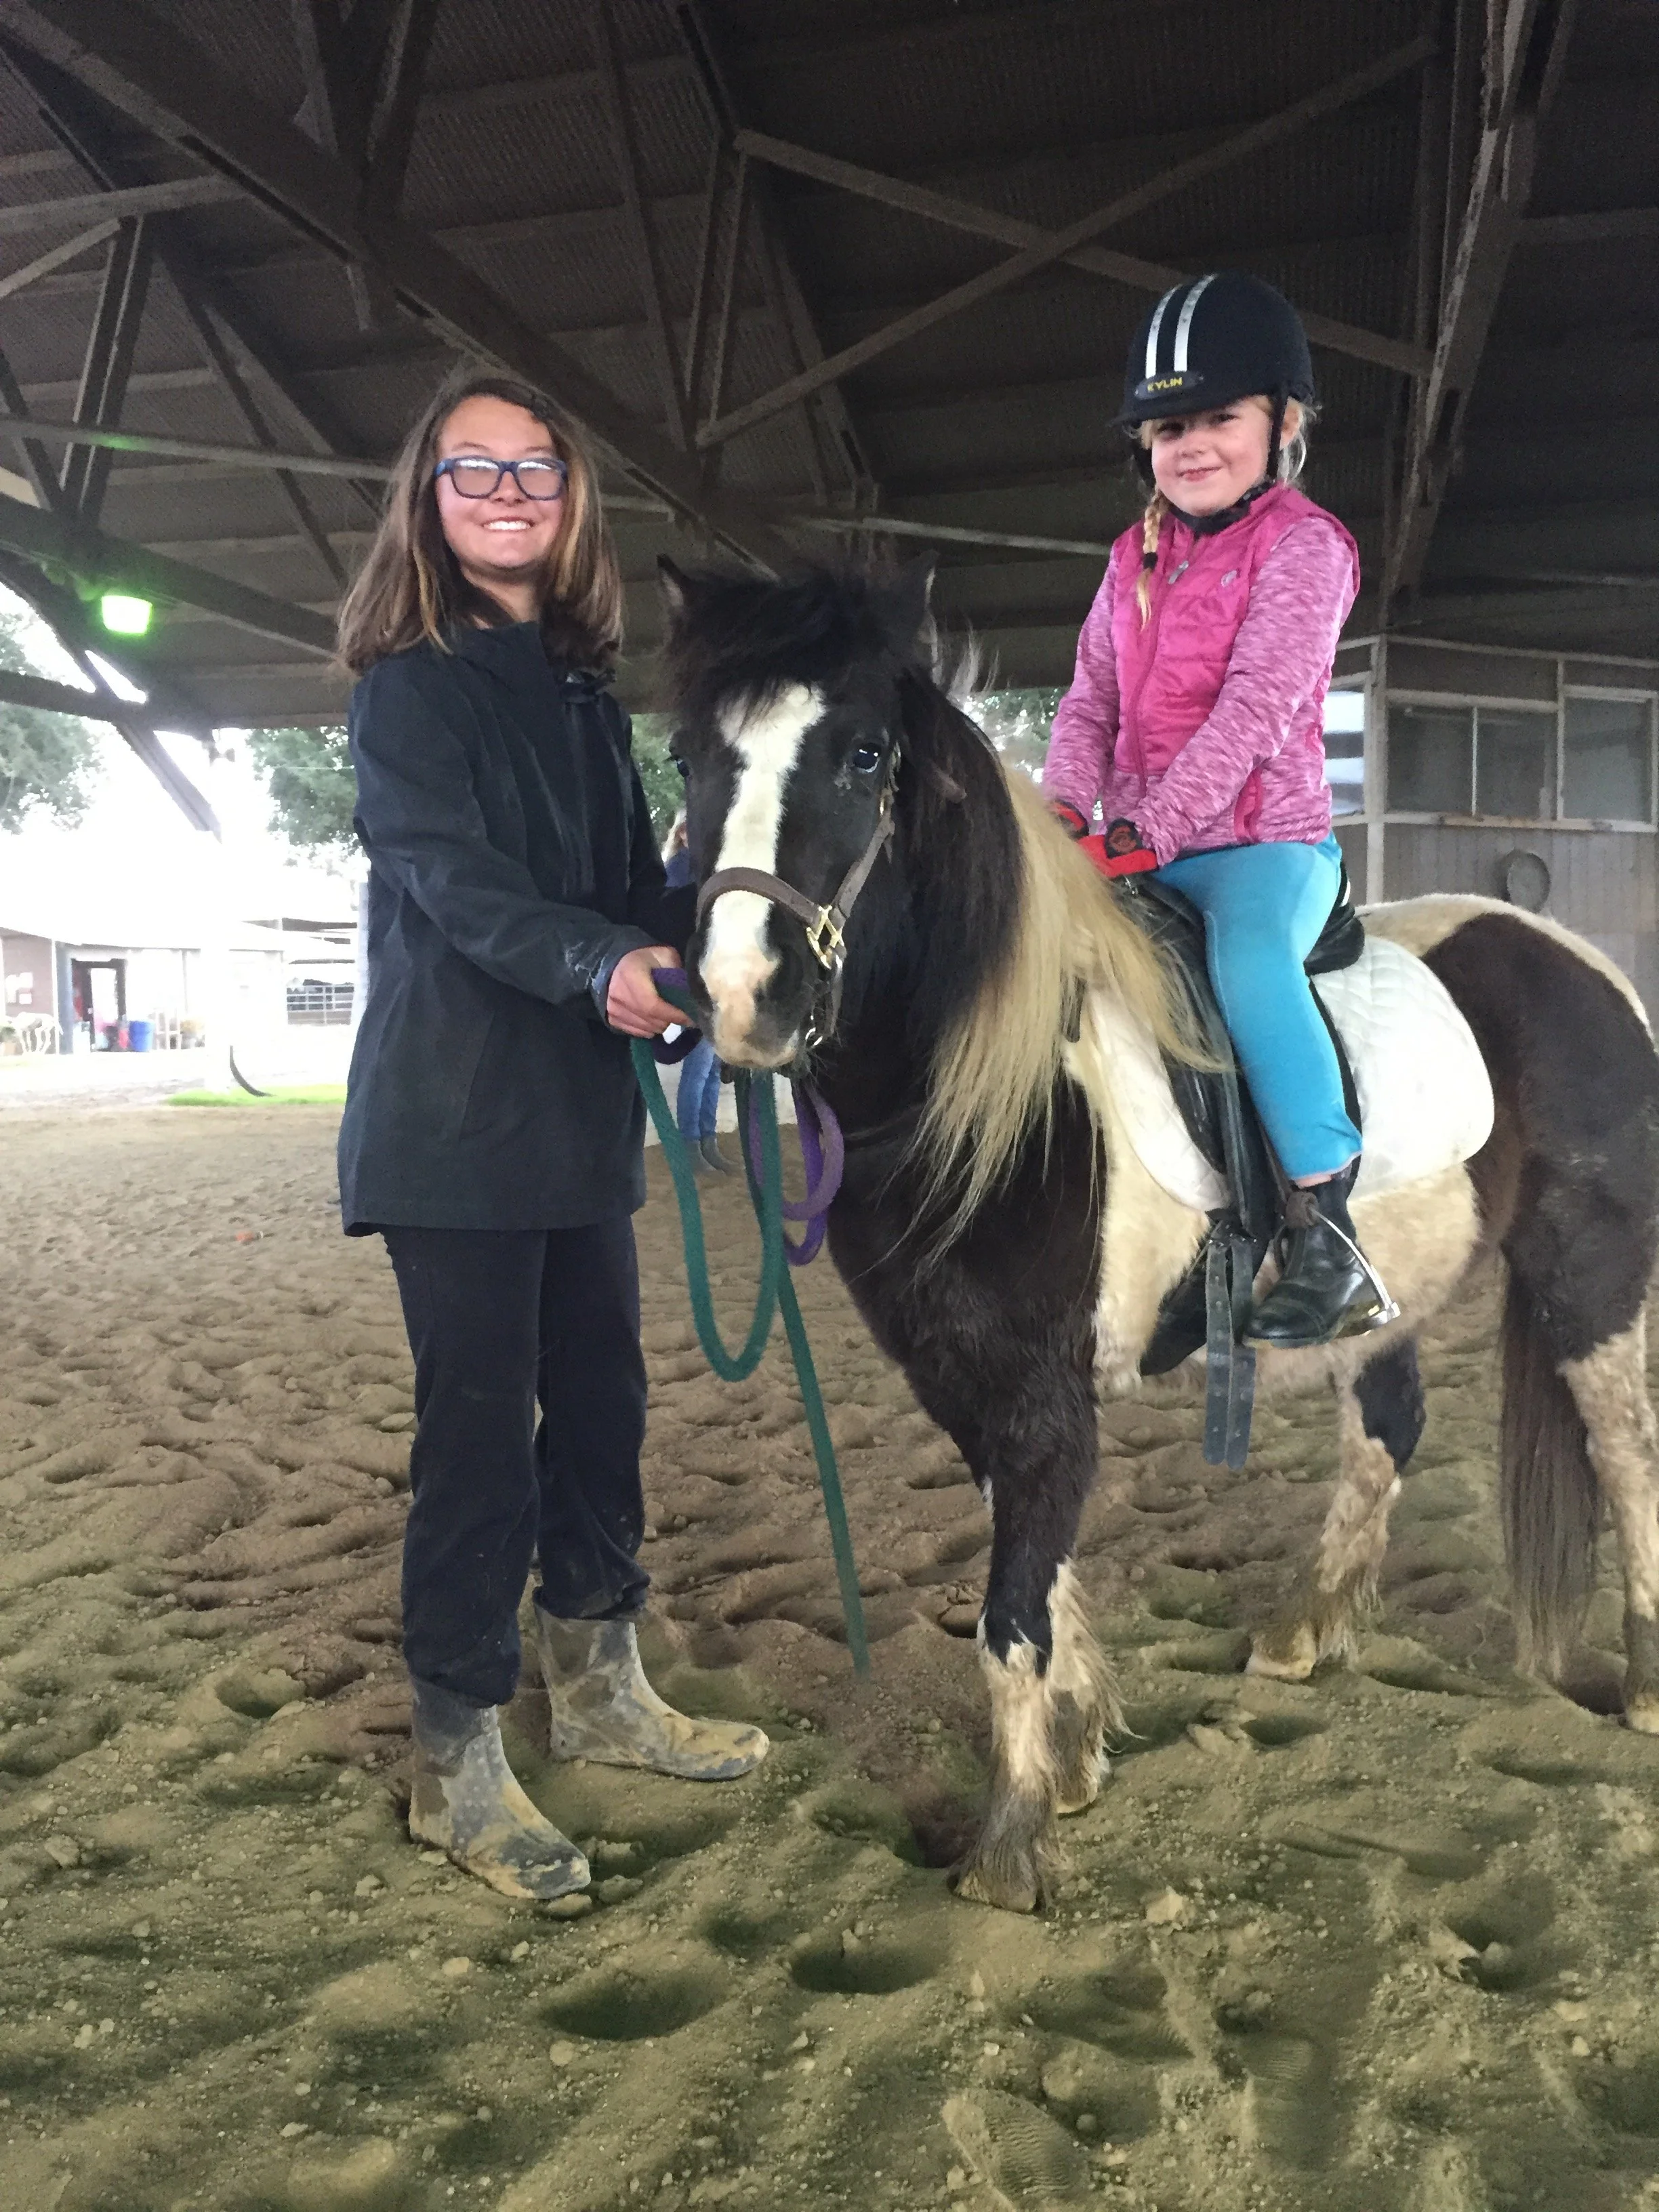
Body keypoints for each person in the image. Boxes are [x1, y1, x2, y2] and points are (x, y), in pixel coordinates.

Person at [335, 370, 769, 1904]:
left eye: (536, 470)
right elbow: (458, 888)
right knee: (480, 1442)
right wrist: (600, 966)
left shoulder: (585, 698)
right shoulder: (404, 690)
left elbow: (620, 889)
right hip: (452, 1127)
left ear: (570, 504)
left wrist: (723, 923)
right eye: (476, 469)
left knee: (600, 1408)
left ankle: (595, 1683)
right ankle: (452, 1750)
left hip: (578, 1128)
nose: (509, 492)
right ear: (429, 499)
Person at [1043, 272, 1395, 1350]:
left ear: (1283, 423)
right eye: (1167, 427)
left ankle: (1325, 1224)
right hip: (1142, 848)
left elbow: (1254, 711)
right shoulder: (1131, 558)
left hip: (1263, 846)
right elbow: (1090, 701)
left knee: (1245, 968)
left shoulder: (1307, 548)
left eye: (1218, 419)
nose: (1190, 445)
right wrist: (1061, 815)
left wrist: (1150, 828)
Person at [662, 813, 730, 1173]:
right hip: (696, 981)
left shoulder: (695, 868)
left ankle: (707, 1142)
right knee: (701, 1068)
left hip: (709, 978)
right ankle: (691, 1146)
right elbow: (683, 925)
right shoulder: (681, 869)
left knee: (711, 1068)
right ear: (683, 833)